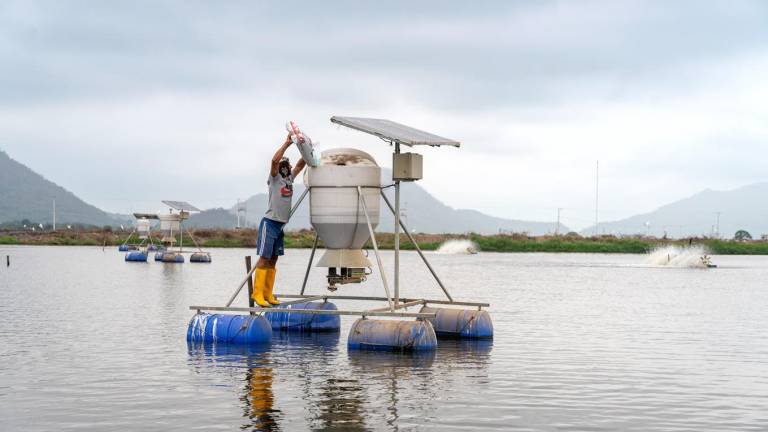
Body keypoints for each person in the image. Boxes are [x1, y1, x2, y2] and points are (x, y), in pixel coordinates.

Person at [252, 133, 306, 307]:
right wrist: (287, 143)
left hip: (281, 226)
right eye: (284, 164)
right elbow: (274, 162)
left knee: (274, 259)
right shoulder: (275, 179)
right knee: (264, 257)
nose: (286, 166)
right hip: (270, 222)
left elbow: (301, 163)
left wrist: (303, 145)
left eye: (287, 164)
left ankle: (268, 294)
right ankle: (257, 294)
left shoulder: (289, 179)